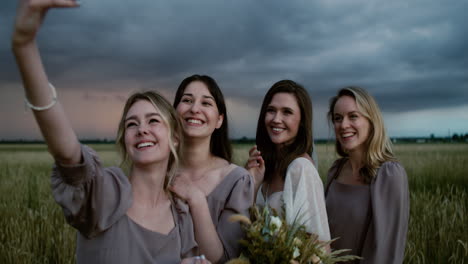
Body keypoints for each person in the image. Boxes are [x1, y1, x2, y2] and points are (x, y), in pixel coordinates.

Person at [11, 1, 210, 263]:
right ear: (124, 139)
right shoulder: (106, 193)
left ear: (174, 136)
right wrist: (25, 46)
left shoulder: (181, 215)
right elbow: (68, 153)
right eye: (131, 124)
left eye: (153, 121)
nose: (141, 130)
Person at [170, 75, 254, 263]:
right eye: (187, 100)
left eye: (206, 103)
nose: (194, 109)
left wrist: (196, 198)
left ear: (219, 120)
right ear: (174, 112)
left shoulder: (236, 180)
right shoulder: (157, 171)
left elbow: (222, 258)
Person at [325, 86, 409, 263]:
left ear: (371, 121)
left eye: (353, 116)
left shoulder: (389, 174)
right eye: (337, 118)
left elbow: (385, 251)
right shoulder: (335, 171)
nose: (343, 125)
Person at [245, 80, 331, 243]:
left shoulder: (301, 168)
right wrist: (253, 184)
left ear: (302, 121)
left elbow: (317, 245)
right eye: (271, 110)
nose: (276, 119)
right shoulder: (264, 166)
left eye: (287, 112)